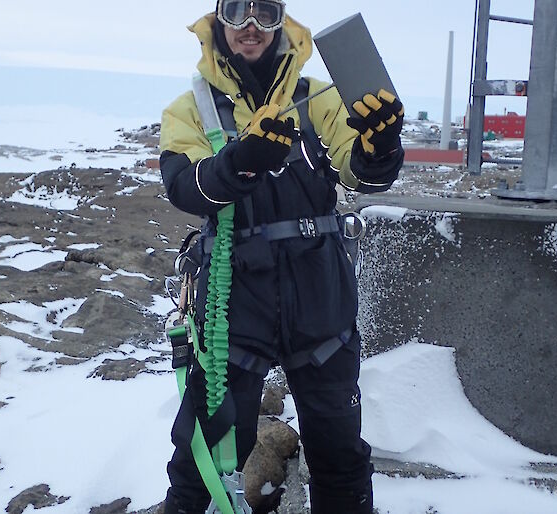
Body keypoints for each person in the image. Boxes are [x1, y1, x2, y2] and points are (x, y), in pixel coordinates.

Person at [159, 1, 404, 512]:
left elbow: (360, 171)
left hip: (321, 298)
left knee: (339, 454)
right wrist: (239, 163)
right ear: (217, 21)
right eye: (238, 13)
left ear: (282, 21)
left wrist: (380, 150)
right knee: (203, 457)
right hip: (233, 305)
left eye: (265, 13)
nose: (251, 27)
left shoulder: (318, 99)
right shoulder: (191, 108)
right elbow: (184, 188)